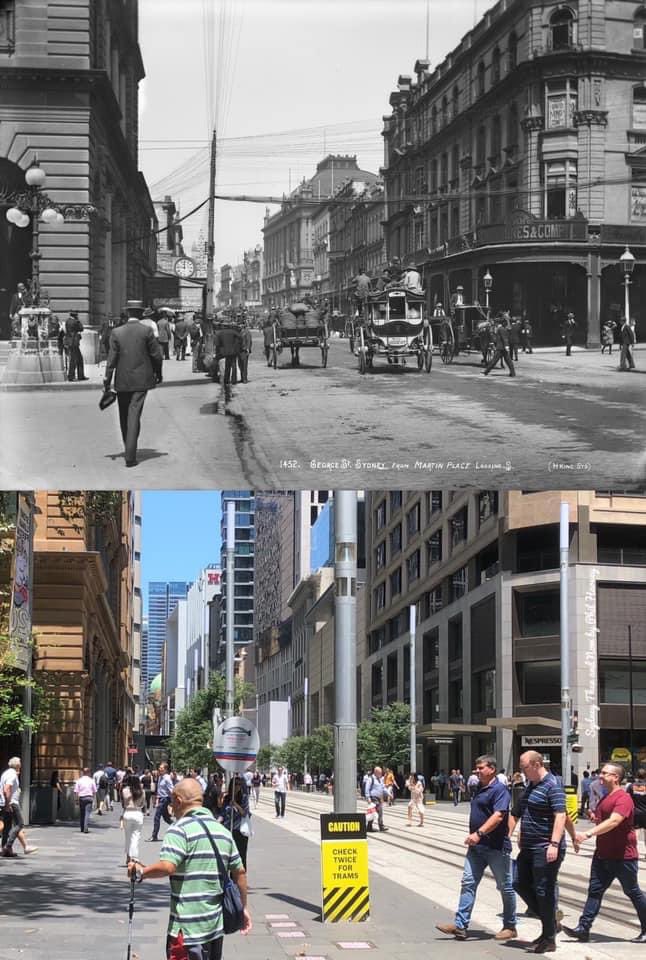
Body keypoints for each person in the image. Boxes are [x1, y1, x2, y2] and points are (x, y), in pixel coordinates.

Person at [128, 777, 252, 959]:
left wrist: (140, 872)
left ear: (178, 800)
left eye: (171, 801)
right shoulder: (222, 832)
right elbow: (240, 872)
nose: (171, 807)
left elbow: (167, 866)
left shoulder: (178, 830)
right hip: (214, 928)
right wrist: (243, 908)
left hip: (185, 930)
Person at [562, 762, 646, 943]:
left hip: (623, 856)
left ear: (616, 777)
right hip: (603, 854)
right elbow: (605, 820)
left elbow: (615, 821)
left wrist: (588, 834)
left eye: (605, 773)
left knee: (632, 891)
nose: (601, 775)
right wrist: (594, 818)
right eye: (601, 772)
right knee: (595, 891)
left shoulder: (623, 798)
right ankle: (583, 928)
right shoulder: (605, 797)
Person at [436, 754, 517, 942]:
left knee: (505, 887)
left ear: (492, 769)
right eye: (477, 768)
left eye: (481, 768)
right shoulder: (479, 787)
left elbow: (498, 816)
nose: (477, 771)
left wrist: (478, 834)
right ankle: (461, 925)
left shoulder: (500, 790)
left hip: (496, 847)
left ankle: (510, 926)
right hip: (477, 849)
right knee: (468, 883)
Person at [513, 750, 567, 954]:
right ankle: (551, 923)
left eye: (524, 767)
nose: (521, 771)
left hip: (545, 847)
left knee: (544, 891)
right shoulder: (530, 786)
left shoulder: (553, 785)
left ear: (536, 764)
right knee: (518, 882)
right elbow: (519, 812)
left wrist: (554, 844)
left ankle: (549, 938)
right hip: (528, 847)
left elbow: (561, 816)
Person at [103, 300, 164, 468]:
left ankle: (127, 446)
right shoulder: (147, 331)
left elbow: (111, 360)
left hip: (122, 380)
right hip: (142, 380)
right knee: (134, 414)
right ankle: (130, 454)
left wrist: (107, 380)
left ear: (128, 313)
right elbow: (156, 356)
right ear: (141, 313)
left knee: (124, 414)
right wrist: (158, 373)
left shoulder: (117, 332)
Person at [1, 757, 38, 857]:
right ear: (17, 765)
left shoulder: (6, 773)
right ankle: (7, 846)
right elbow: (6, 789)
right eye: (20, 763)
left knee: (7, 826)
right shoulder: (12, 774)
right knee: (20, 824)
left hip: (5, 802)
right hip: (11, 803)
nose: (21, 765)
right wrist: (8, 804)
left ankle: (5, 850)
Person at [220, 776, 251, 870]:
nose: (238, 786)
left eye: (239, 784)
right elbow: (223, 814)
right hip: (228, 830)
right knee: (227, 856)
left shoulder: (244, 798)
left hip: (239, 831)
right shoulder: (227, 798)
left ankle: (240, 880)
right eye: (236, 784)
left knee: (240, 856)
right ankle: (229, 881)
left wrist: (236, 804)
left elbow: (245, 813)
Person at [121, 772, 146, 866]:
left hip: (128, 813)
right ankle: (134, 857)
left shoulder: (125, 790)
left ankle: (128, 857)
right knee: (135, 836)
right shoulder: (141, 791)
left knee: (128, 837)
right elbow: (143, 804)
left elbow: (124, 802)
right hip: (138, 813)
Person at [149, 761, 174, 841]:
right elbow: (159, 790)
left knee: (157, 817)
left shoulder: (167, 778)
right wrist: (157, 798)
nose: (159, 769)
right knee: (166, 818)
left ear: (166, 770)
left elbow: (172, 789)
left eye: (161, 768)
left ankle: (154, 836)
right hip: (161, 798)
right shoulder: (160, 777)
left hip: (165, 799)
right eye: (159, 767)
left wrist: (173, 801)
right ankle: (179, 827)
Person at [65, 311, 89, 382]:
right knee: (74, 359)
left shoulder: (67, 321)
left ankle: (79, 375)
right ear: (75, 315)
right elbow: (81, 328)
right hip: (74, 342)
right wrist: (78, 321)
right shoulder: (75, 322)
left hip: (70, 342)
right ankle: (72, 376)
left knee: (78, 359)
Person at [627, 768, 646, 857]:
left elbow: (627, 799)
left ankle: (634, 851)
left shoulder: (631, 786)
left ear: (636, 776)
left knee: (636, 833)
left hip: (636, 813)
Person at [364, 766, 389, 832]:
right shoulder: (371, 779)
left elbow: (383, 787)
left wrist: (389, 793)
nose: (381, 774)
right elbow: (367, 788)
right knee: (379, 811)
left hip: (379, 798)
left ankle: (369, 827)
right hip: (373, 798)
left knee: (373, 812)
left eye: (381, 773)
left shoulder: (380, 779)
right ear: (375, 772)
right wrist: (368, 797)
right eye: (380, 773)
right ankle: (381, 826)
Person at [74, 766, 97, 833]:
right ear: (89, 773)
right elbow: (94, 791)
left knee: (82, 813)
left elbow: (76, 791)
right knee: (87, 813)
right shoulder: (91, 780)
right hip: (89, 798)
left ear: (83, 773)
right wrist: (94, 799)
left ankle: (82, 828)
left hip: (81, 798)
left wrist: (76, 800)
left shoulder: (79, 780)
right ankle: (85, 827)